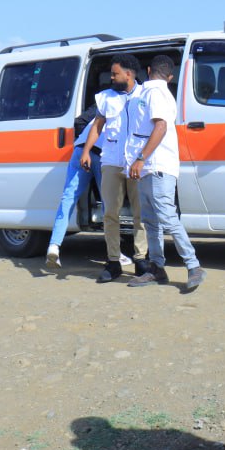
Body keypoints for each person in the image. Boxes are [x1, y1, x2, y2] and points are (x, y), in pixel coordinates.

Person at [126, 54, 206, 292]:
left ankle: (193, 266)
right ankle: (156, 267)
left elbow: (160, 126)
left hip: (156, 165)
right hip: (151, 166)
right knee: (151, 220)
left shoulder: (154, 93)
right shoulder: (154, 93)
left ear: (148, 69)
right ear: (170, 76)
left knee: (167, 217)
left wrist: (140, 158)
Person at [81, 56, 147, 282]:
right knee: (110, 214)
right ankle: (113, 261)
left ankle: (141, 260)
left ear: (129, 74)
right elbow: (97, 127)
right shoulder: (106, 98)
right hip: (111, 162)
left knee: (141, 214)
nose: (111, 77)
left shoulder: (145, 95)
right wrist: (86, 151)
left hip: (137, 163)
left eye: (115, 73)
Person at [44, 112, 103, 269]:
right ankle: (115, 252)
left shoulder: (101, 104)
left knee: (68, 198)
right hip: (102, 152)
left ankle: (54, 246)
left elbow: (79, 121)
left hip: (80, 149)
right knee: (108, 203)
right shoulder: (128, 102)